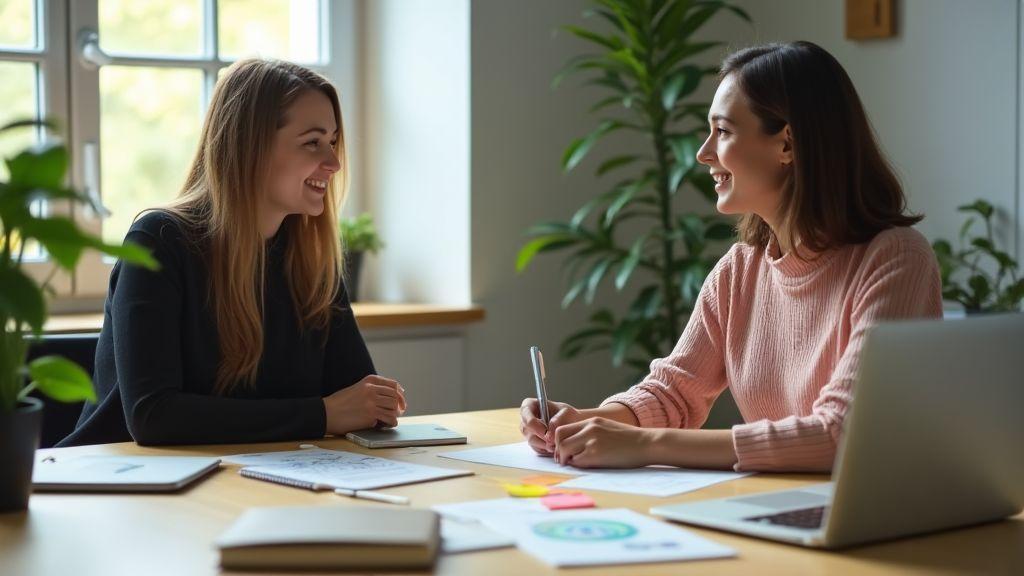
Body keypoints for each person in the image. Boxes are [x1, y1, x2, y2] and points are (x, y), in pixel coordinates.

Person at [520, 41, 942, 472]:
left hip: (869, 522)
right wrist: (580, 422)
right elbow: (673, 393)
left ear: (787, 145)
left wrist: (646, 444)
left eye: (722, 132)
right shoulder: (740, 270)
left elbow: (841, 433)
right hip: (775, 505)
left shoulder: (896, 259)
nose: (703, 153)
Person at [61, 59, 405, 447]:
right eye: (312, 142)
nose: (333, 162)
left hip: (242, 478)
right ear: (249, 146)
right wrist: (322, 413)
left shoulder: (311, 261)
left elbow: (357, 401)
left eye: (333, 141)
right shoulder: (159, 241)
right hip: (116, 486)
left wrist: (372, 404)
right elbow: (153, 415)